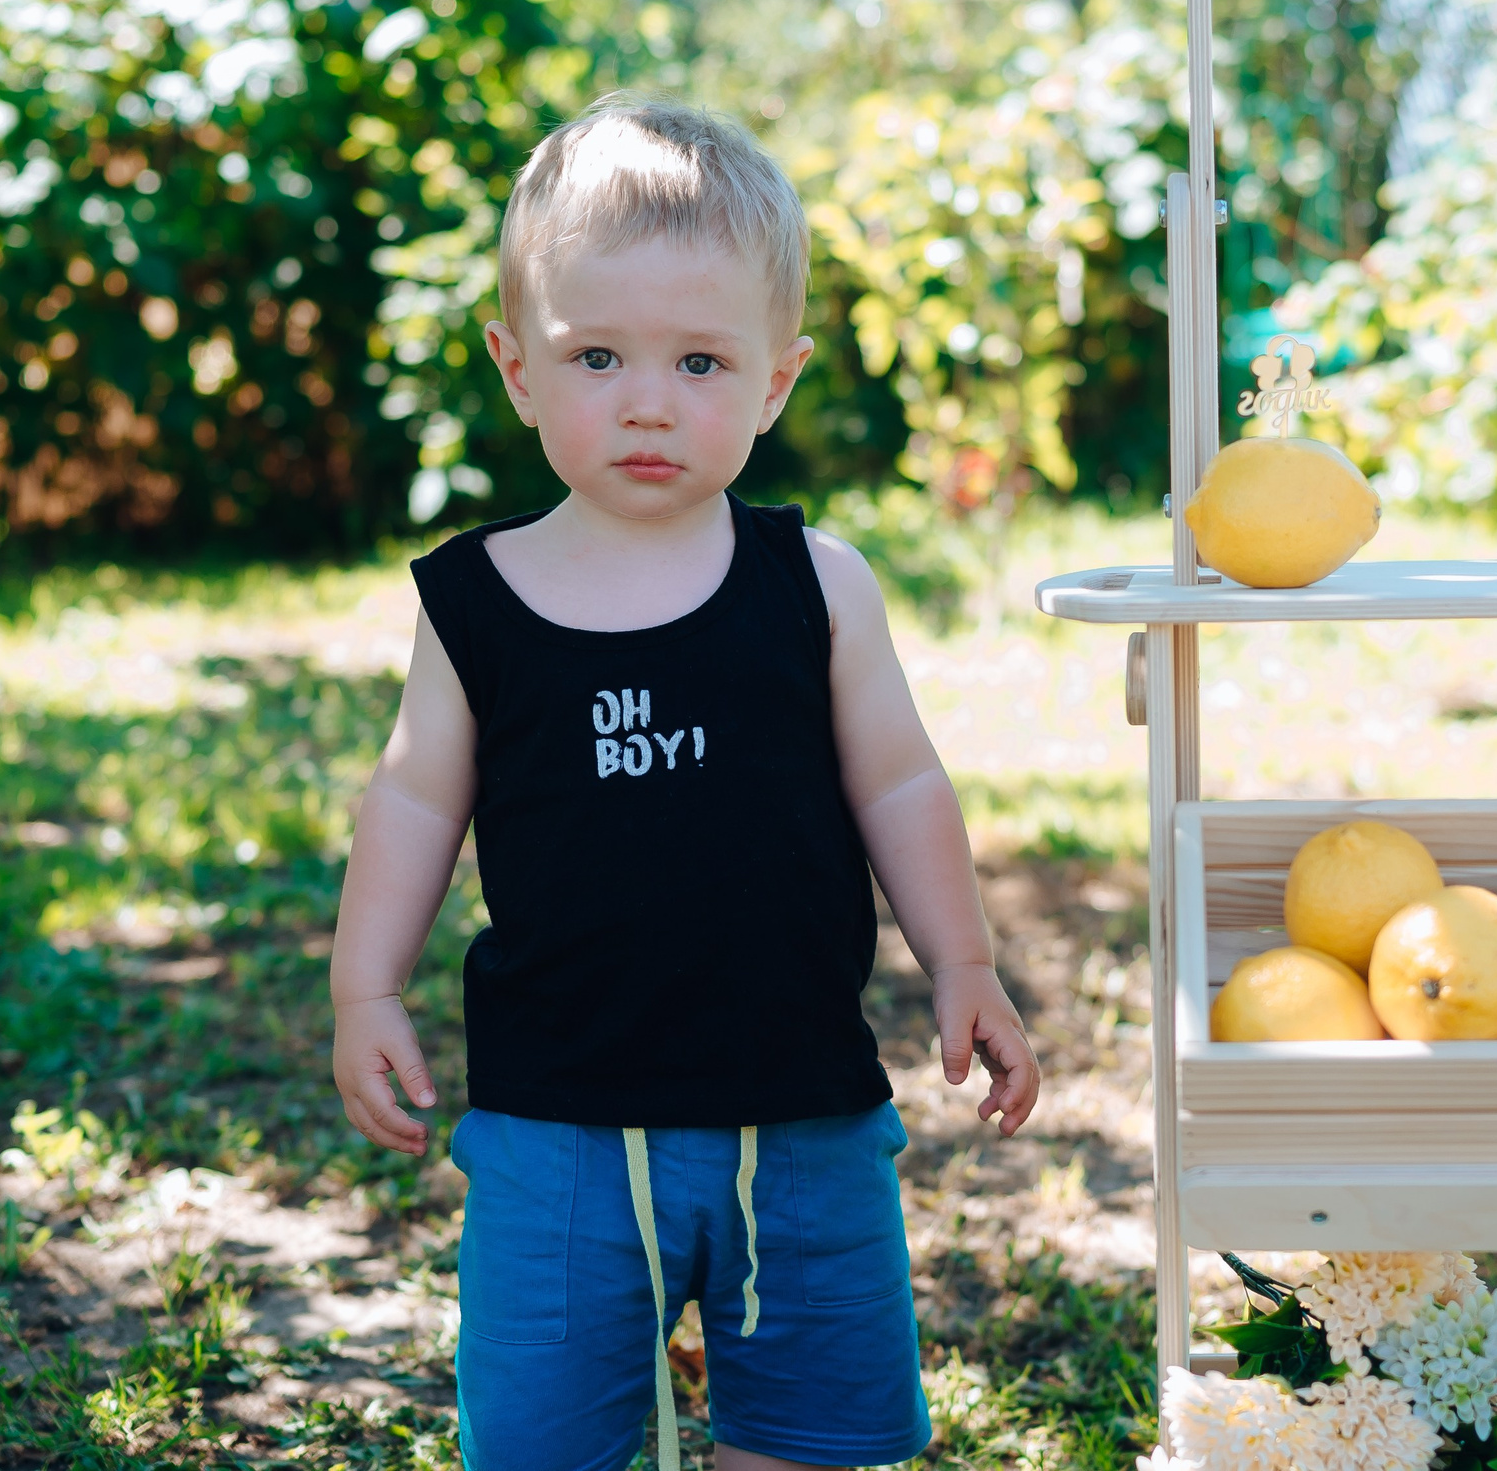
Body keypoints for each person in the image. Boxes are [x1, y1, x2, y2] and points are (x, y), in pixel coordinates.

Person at [327, 94, 1042, 1471]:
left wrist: (963, 961)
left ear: (776, 382)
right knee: (545, 1439)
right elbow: (413, 798)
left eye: (702, 362)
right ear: (517, 367)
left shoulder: (817, 586)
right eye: (596, 355)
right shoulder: (477, 601)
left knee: (812, 1435)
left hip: (804, 1113)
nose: (647, 400)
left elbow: (900, 784)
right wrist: (369, 987)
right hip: (559, 1131)